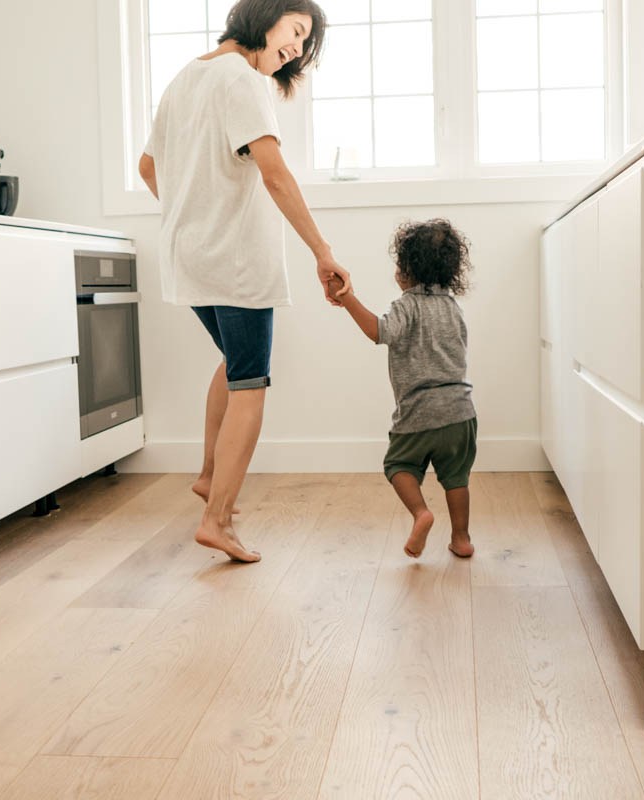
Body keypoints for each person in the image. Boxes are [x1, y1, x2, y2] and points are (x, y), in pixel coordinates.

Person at [138, 0, 349, 563]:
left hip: (190, 260)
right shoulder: (244, 80)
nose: (297, 50)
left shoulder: (186, 78)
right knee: (251, 384)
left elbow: (148, 167)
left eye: (306, 44)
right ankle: (218, 519)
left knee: (234, 365)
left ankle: (210, 477)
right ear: (266, 14)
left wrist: (190, 215)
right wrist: (322, 252)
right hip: (237, 262)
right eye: (297, 31)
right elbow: (274, 173)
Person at [328, 219, 478, 559]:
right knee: (456, 477)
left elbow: (379, 332)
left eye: (399, 264)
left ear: (409, 270)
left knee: (399, 466)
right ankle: (462, 538)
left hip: (418, 412)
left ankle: (421, 513)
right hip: (460, 412)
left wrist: (347, 297)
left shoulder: (406, 305)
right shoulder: (454, 307)